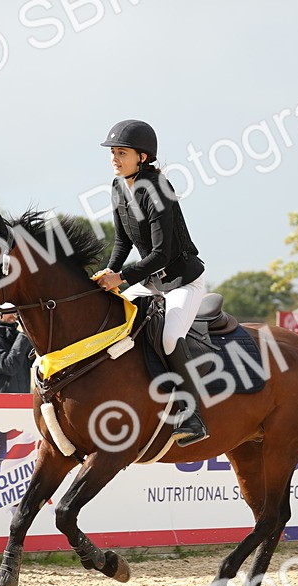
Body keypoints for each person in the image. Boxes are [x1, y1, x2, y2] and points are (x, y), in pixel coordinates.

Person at [93, 119, 209, 446]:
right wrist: (109, 274)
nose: (114, 158)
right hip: (150, 281)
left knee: (170, 336)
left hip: (182, 281)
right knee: (112, 319)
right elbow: (121, 242)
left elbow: (162, 253)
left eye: (122, 153)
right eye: (113, 152)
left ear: (142, 157)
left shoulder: (158, 189)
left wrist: (122, 276)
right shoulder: (118, 187)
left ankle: (192, 415)